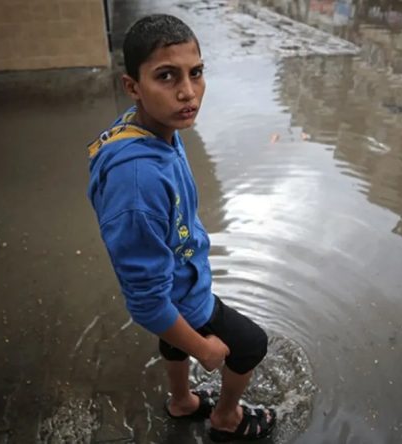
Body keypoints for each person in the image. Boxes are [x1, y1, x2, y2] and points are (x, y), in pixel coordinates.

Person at [86, 14, 277, 442]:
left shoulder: (150, 128)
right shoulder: (139, 182)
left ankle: (182, 402)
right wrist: (205, 348)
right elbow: (148, 302)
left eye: (196, 73)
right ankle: (227, 420)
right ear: (132, 86)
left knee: (175, 341)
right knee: (250, 345)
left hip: (178, 275)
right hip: (181, 295)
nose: (188, 92)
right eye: (166, 76)